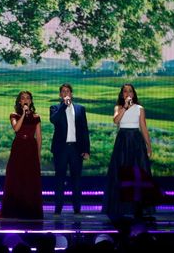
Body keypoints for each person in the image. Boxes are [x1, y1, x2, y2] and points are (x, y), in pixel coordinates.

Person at [102, 83, 159, 220]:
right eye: (125, 91)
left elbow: (143, 127)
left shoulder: (140, 108)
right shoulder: (118, 107)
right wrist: (125, 108)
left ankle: (138, 207)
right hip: (122, 141)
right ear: (122, 94)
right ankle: (120, 207)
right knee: (121, 173)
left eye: (130, 91)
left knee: (138, 174)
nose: (128, 94)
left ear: (134, 94)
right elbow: (116, 121)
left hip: (135, 141)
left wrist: (149, 146)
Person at [0, 91, 43, 219]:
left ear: (31, 101)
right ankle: (13, 209)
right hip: (18, 147)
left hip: (31, 148)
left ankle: (30, 210)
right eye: (23, 98)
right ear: (19, 101)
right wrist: (23, 114)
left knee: (30, 179)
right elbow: (16, 128)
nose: (25, 100)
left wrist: (38, 155)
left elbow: (39, 137)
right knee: (16, 178)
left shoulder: (36, 117)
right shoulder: (14, 115)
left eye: (28, 98)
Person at [50, 83, 90, 215]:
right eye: (63, 92)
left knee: (76, 180)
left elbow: (84, 130)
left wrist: (86, 149)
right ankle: (58, 208)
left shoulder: (80, 109)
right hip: (61, 149)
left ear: (71, 94)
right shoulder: (55, 108)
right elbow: (54, 120)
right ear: (60, 95)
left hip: (76, 149)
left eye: (68, 91)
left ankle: (77, 209)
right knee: (59, 179)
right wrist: (63, 106)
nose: (66, 93)